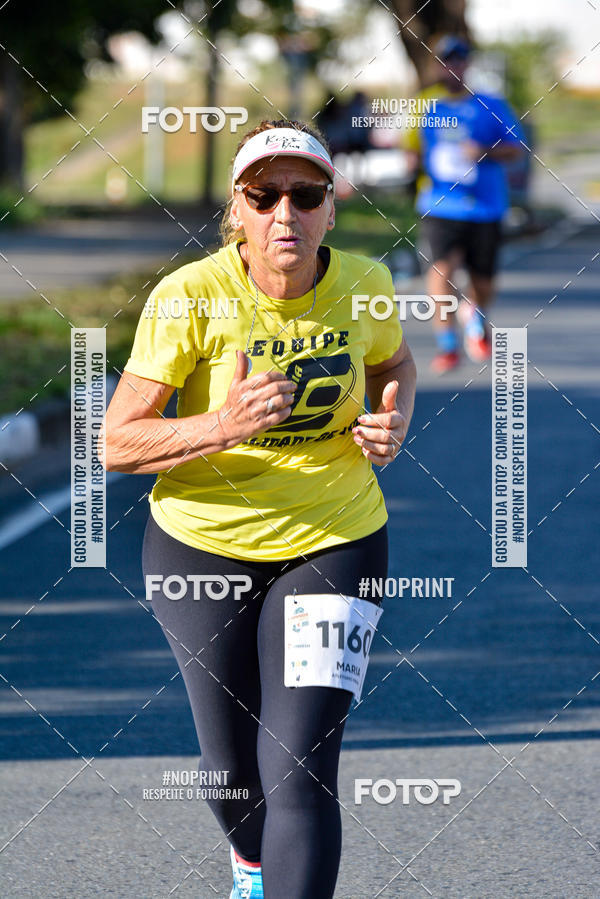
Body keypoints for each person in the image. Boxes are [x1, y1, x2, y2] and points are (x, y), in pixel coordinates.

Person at [102, 119, 416, 899]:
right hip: (200, 546)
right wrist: (224, 424)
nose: (287, 212)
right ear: (236, 210)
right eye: (264, 194)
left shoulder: (365, 284)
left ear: (332, 208)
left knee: (300, 767)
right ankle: (250, 864)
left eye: (306, 194)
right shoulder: (190, 297)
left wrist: (393, 415)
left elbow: (396, 362)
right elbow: (114, 443)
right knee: (235, 771)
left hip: (336, 536)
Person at [404, 35, 524, 373]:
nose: (452, 67)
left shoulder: (491, 104)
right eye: (445, 60)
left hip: (485, 206)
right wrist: (411, 162)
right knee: (440, 271)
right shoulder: (425, 105)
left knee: (482, 281)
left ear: (467, 64)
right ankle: (448, 345)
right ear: (436, 65)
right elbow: (411, 148)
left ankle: (476, 313)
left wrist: (483, 151)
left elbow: (517, 149)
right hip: (440, 204)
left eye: (458, 60)